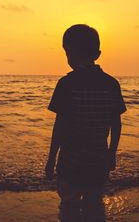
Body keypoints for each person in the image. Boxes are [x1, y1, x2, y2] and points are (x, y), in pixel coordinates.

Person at [45, 24, 126, 221]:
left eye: (68, 53)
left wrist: (51, 159)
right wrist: (111, 154)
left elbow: (60, 127)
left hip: (71, 162)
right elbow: (116, 124)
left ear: (69, 53)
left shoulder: (66, 84)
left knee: (69, 205)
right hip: (98, 161)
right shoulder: (111, 84)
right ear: (97, 54)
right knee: (94, 204)